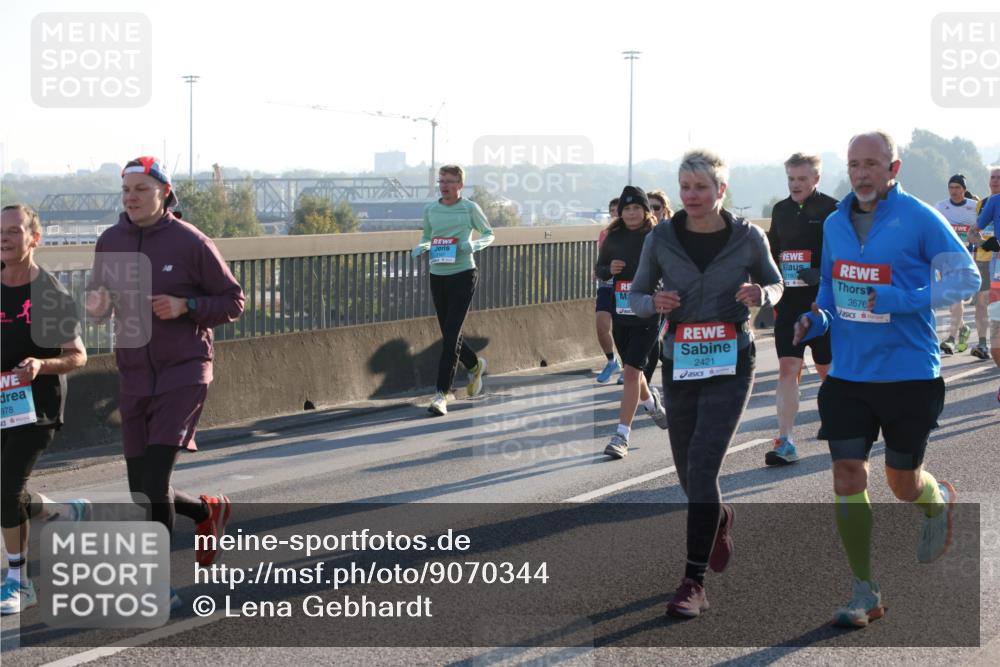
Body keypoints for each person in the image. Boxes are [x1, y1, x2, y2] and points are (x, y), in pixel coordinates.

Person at [794, 131, 980, 627]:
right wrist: (819, 320)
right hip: (850, 374)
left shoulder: (919, 218)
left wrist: (903, 298)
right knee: (847, 473)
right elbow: (833, 288)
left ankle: (934, 499)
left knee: (901, 482)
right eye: (855, 164)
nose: (861, 173)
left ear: (892, 168)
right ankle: (864, 589)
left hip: (908, 373)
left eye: (872, 164)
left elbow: (966, 278)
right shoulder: (835, 223)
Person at [630, 150, 783, 617]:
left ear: (721, 190)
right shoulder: (660, 238)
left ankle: (692, 582)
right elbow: (635, 297)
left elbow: (776, 284)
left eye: (702, 187)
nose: (692, 196)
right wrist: (654, 301)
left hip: (732, 361)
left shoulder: (748, 237)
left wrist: (763, 294)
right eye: (685, 187)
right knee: (687, 472)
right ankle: (719, 517)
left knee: (702, 465)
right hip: (680, 363)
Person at [85, 157, 244, 604]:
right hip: (134, 373)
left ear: (163, 194)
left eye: (140, 189)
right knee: (142, 490)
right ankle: (207, 509)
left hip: (185, 370)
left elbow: (234, 301)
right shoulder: (110, 241)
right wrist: (96, 307)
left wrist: (185, 307)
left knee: (153, 485)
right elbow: (99, 303)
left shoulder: (190, 241)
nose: (131, 198)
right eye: (126, 190)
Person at [1, 205, 88, 615]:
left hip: (37, 407)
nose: (5, 238)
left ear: (34, 239)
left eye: (14, 231)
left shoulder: (51, 294)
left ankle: (18, 580)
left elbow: (77, 356)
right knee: (6, 491)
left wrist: (40, 365)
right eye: (0, 231)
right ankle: (57, 510)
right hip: (1, 402)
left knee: (4, 493)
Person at [764, 153, 838, 465]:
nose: (796, 184)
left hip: (822, 303)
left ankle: (843, 424)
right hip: (790, 303)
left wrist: (822, 273)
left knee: (826, 370)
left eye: (802, 179)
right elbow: (770, 251)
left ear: (816, 179)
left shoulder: (832, 210)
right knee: (788, 369)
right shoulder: (780, 210)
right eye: (791, 179)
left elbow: (848, 256)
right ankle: (786, 440)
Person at [412, 165, 494, 416]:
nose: (444, 185)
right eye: (441, 181)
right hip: (438, 275)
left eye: (449, 181)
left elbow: (489, 234)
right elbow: (427, 235)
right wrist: (423, 246)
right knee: (449, 332)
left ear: (460, 185)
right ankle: (474, 363)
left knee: (450, 335)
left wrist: (474, 245)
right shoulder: (431, 209)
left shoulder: (469, 208)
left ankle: (441, 394)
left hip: (463, 275)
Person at [595, 186, 668, 459]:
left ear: (645, 211)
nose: (632, 213)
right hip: (621, 311)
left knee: (630, 373)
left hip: (648, 311)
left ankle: (621, 435)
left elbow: (670, 267)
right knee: (631, 370)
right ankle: (651, 404)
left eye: (637, 208)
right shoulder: (613, 236)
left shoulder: (656, 235)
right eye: (627, 209)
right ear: (621, 212)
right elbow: (599, 269)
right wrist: (608, 269)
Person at [935, 174, 979, 355]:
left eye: (957, 188)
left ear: (963, 189)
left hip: (966, 258)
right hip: (945, 258)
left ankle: (951, 338)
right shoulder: (940, 207)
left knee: (957, 297)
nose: (954, 191)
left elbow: (983, 229)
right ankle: (963, 328)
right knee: (951, 298)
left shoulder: (973, 207)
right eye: (951, 187)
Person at [968, 165, 1000, 362]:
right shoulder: (994, 202)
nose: (995, 180)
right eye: (993, 177)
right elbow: (972, 233)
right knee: (996, 320)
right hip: (997, 267)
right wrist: (985, 243)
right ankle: (984, 344)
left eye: (999, 177)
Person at [595, 198, 622, 383]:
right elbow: (601, 262)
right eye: (612, 210)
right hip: (606, 286)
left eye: (618, 210)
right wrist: (599, 271)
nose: (615, 214)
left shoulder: (637, 234)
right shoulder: (604, 234)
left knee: (623, 330)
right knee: (601, 326)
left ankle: (630, 367)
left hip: (625, 288)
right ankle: (612, 361)